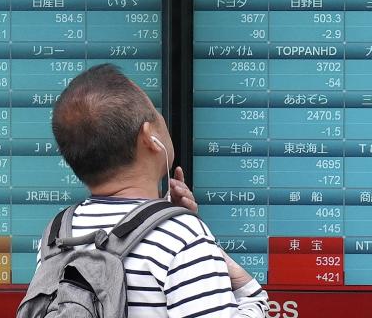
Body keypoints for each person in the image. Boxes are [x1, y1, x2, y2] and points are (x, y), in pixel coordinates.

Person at [46, 63, 269, 318]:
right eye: (156, 113)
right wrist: (252, 295)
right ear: (149, 136)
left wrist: (160, 217)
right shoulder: (181, 237)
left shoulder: (57, 235)